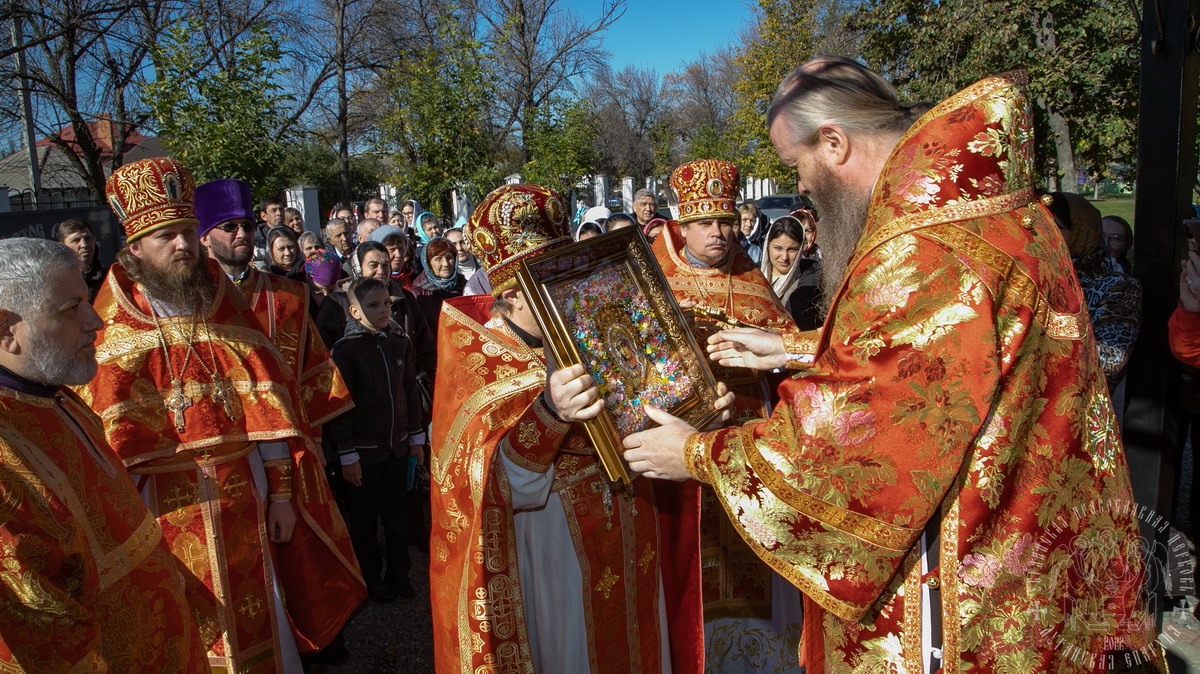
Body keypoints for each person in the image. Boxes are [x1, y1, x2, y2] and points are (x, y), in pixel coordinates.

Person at [622, 59, 1161, 672]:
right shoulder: (989, 209)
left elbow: (870, 443)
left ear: (834, 142)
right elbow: (948, 354)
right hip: (1023, 545)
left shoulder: (923, 242)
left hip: (962, 581)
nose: (802, 189)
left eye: (797, 166)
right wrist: (799, 347)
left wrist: (698, 456)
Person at [83, 158, 366, 671]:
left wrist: (282, 496)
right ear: (135, 249)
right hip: (161, 510)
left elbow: (272, 413)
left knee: (263, 623)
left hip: (245, 492)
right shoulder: (110, 328)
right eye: (167, 235)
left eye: (188, 232)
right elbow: (104, 452)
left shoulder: (225, 306)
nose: (184, 245)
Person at [430, 184, 712, 673]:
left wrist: (701, 412)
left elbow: (650, 405)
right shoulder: (478, 361)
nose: (569, 293)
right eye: (550, 284)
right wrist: (550, 413)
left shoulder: (590, 325)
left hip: (631, 519)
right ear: (514, 295)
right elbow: (487, 483)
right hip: (551, 539)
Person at [0, 238, 208, 672]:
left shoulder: (56, 395)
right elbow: (37, 635)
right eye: (70, 308)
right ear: (6, 330)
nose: (96, 320)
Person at [651, 159, 804, 670]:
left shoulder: (750, 276)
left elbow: (787, 368)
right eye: (704, 223)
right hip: (682, 452)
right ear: (681, 222)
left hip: (752, 448)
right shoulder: (656, 276)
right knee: (691, 571)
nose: (718, 233)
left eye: (726, 221)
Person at [330, 277, 425, 603]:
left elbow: (410, 391)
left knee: (397, 516)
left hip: (397, 447)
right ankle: (370, 578)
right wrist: (347, 456)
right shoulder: (347, 351)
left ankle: (399, 574)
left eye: (387, 303)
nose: (384, 310)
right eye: (373, 305)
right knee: (365, 521)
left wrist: (416, 437)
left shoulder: (399, 341)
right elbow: (341, 408)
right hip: (365, 454)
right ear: (355, 311)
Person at [761, 211, 823, 330]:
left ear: (800, 250)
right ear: (767, 246)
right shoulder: (753, 276)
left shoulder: (811, 284)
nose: (784, 257)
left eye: (792, 250)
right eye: (778, 248)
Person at [410, 236, 466, 330]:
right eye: (438, 259)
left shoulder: (465, 286)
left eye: (449, 258)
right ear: (428, 263)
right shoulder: (417, 294)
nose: (446, 264)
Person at [54, 217, 108, 301]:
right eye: (76, 240)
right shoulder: (57, 284)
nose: (84, 245)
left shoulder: (109, 278)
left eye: (88, 238)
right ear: (62, 246)